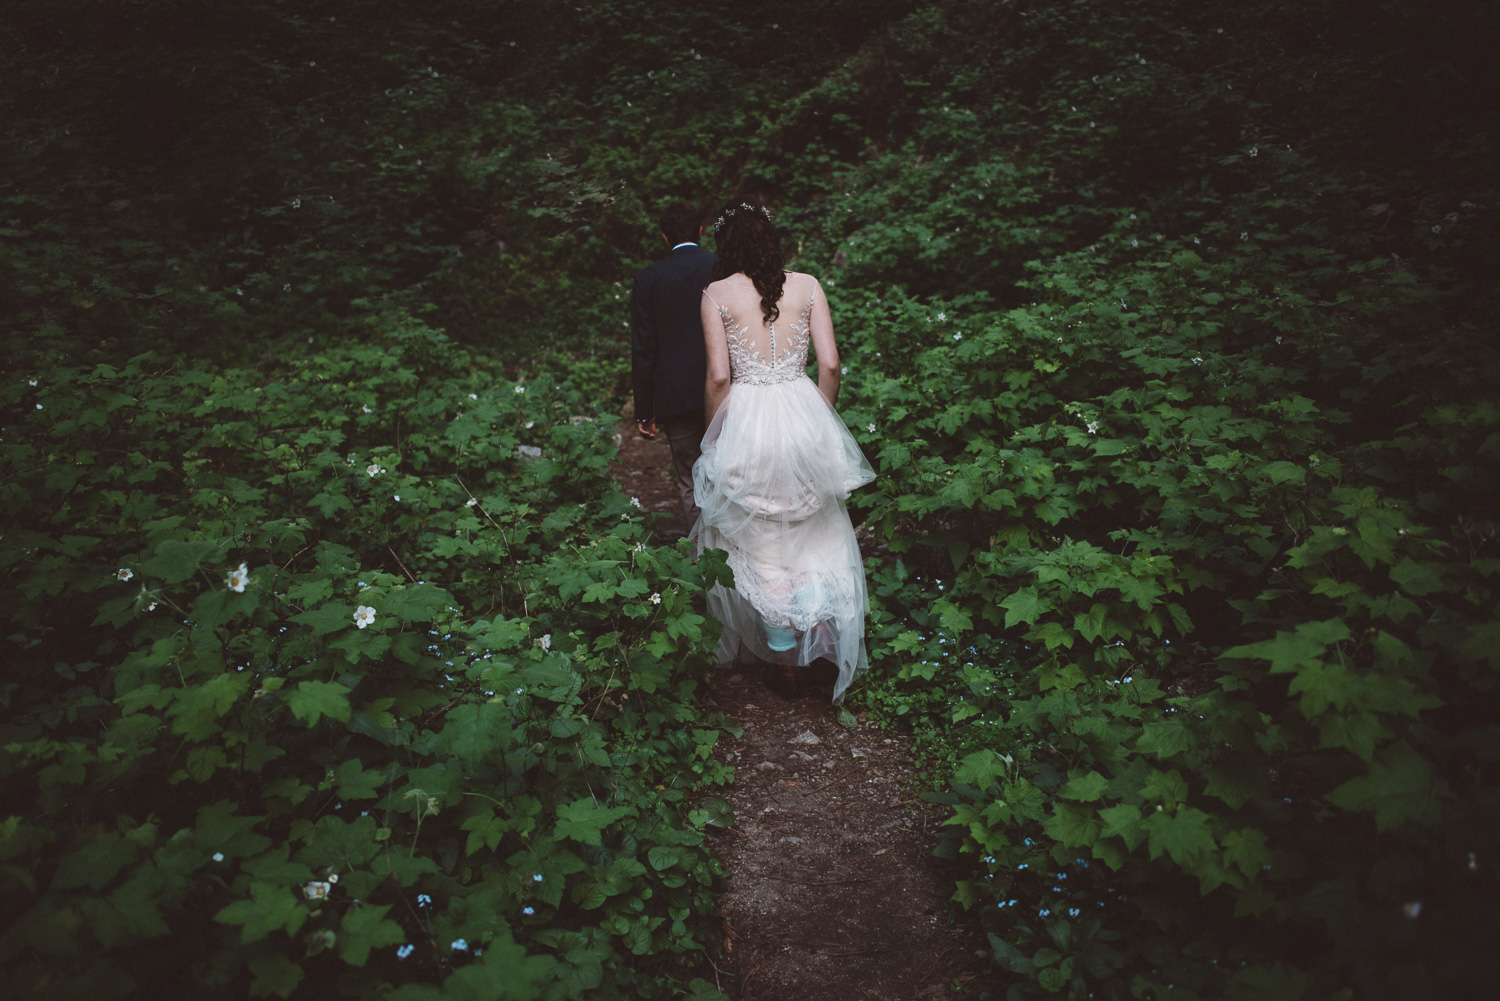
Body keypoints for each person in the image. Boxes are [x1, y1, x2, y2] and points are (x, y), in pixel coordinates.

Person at [692, 196, 875, 704]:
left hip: (746, 419)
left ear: (725, 243)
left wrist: (715, 436)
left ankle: (782, 654)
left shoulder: (715, 294)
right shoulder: (809, 285)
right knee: (814, 527)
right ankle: (815, 623)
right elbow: (832, 364)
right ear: (770, 238)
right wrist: (820, 418)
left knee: (757, 535)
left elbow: (719, 376)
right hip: (802, 409)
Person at [630, 201, 716, 532]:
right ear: (700, 231)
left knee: (688, 476)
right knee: (729, 470)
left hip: (674, 393)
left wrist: (643, 409)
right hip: (724, 388)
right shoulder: (721, 267)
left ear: (665, 238)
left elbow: (643, 348)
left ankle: (703, 562)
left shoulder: (648, 278)